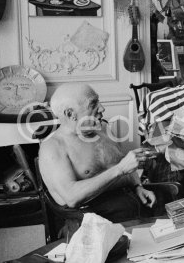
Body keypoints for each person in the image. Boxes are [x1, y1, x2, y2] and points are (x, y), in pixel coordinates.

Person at [38, 83, 175, 224]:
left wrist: (137, 186)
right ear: (70, 114)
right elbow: (71, 197)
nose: (102, 108)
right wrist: (120, 169)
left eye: (98, 101)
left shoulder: (103, 129)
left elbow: (124, 164)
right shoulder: (52, 147)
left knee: (179, 220)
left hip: (132, 200)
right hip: (98, 219)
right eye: (93, 104)